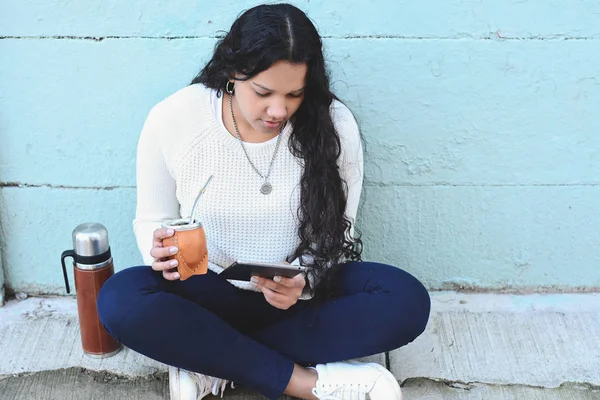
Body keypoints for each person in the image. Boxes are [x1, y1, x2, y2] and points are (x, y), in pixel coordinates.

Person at [97, 3, 430, 400]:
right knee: (121, 300)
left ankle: (214, 361)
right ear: (233, 74)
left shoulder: (333, 125)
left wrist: (304, 280)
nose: (278, 110)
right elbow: (152, 218)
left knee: (406, 300)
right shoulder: (176, 117)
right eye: (263, 92)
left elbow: (338, 235)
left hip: (297, 297)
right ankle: (306, 382)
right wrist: (160, 245)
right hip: (210, 291)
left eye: (294, 94)